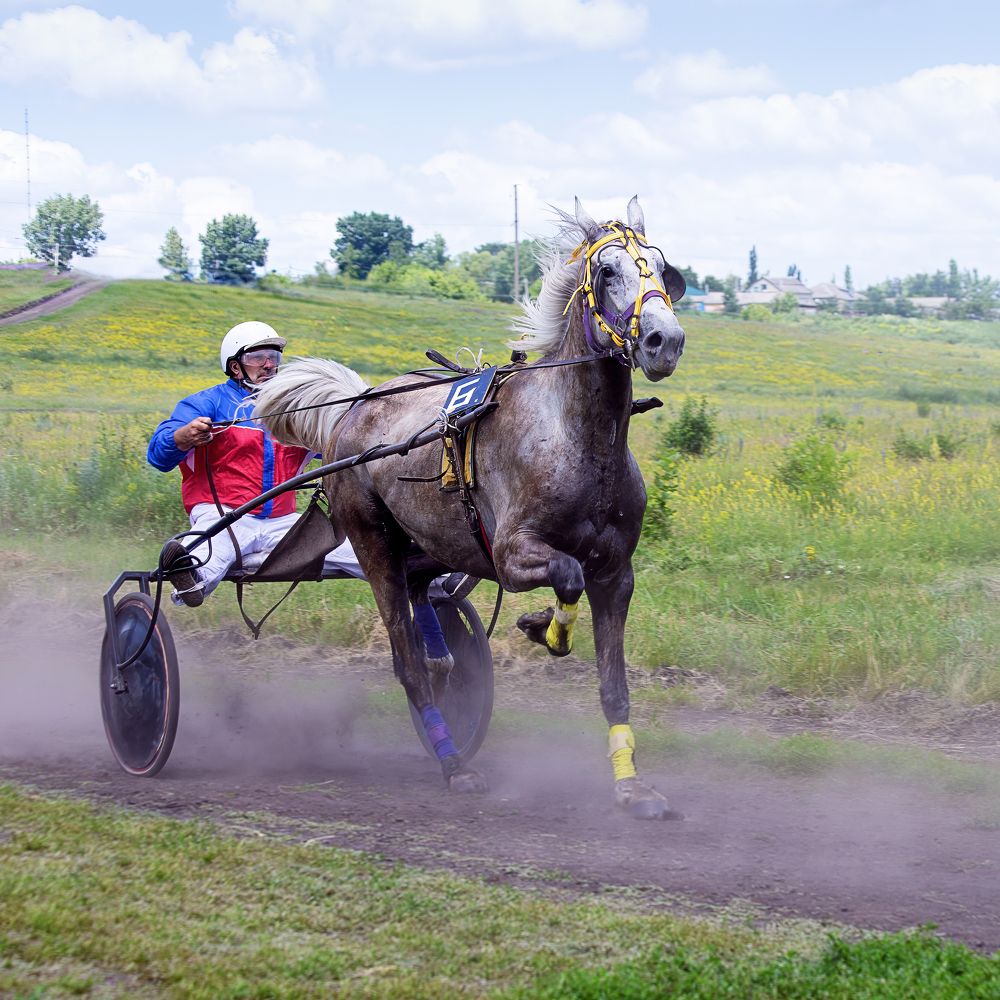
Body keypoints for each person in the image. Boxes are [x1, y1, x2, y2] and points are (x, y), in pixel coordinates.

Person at [147, 321, 364, 607]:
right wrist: (184, 436)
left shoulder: (297, 409)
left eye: (273, 358)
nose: (268, 365)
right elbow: (158, 456)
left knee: (366, 553)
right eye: (257, 357)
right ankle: (189, 573)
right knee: (210, 554)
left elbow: (342, 447)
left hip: (284, 524)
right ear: (235, 367)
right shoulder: (205, 403)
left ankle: (435, 578)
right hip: (223, 517)